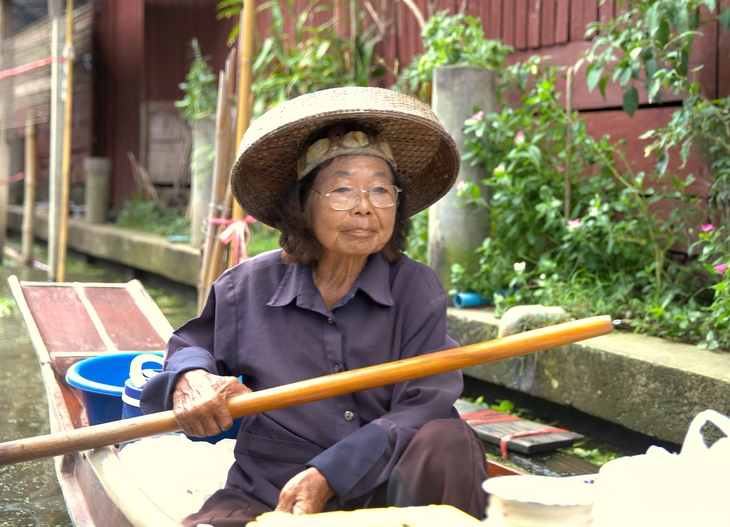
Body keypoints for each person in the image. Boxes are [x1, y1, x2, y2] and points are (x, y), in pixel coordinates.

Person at [141, 87, 489, 526]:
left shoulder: (415, 287)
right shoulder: (247, 285)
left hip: (378, 485)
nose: (365, 208)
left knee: (449, 436)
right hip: (271, 488)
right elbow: (190, 345)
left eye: (381, 191)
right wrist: (191, 377)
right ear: (303, 205)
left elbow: (425, 403)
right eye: (343, 190)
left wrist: (330, 472)